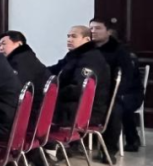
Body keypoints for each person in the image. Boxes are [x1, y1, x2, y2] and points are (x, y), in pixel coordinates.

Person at [90, 17, 143, 151]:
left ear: (108, 32)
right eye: (91, 28)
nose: (93, 31)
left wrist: (112, 93)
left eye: (98, 28)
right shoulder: (88, 49)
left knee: (116, 106)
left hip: (125, 92)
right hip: (99, 91)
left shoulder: (121, 52)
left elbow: (127, 78)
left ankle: (116, 145)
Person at [49, 25, 110, 130]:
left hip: (87, 111)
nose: (69, 40)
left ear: (86, 40)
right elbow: (53, 70)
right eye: (68, 36)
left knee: (38, 109)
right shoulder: (74, 55)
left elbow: (79, 89)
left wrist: (53, 93)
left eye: (74, 36)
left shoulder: (91, 58)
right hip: (73, 105)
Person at [0, 30, 51, 117]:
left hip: (30, 114)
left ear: (19, 44)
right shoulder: (26, 57)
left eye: (4, 44)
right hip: (37, 112)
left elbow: (16, 90)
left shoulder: (21, 62)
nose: (1, 48)